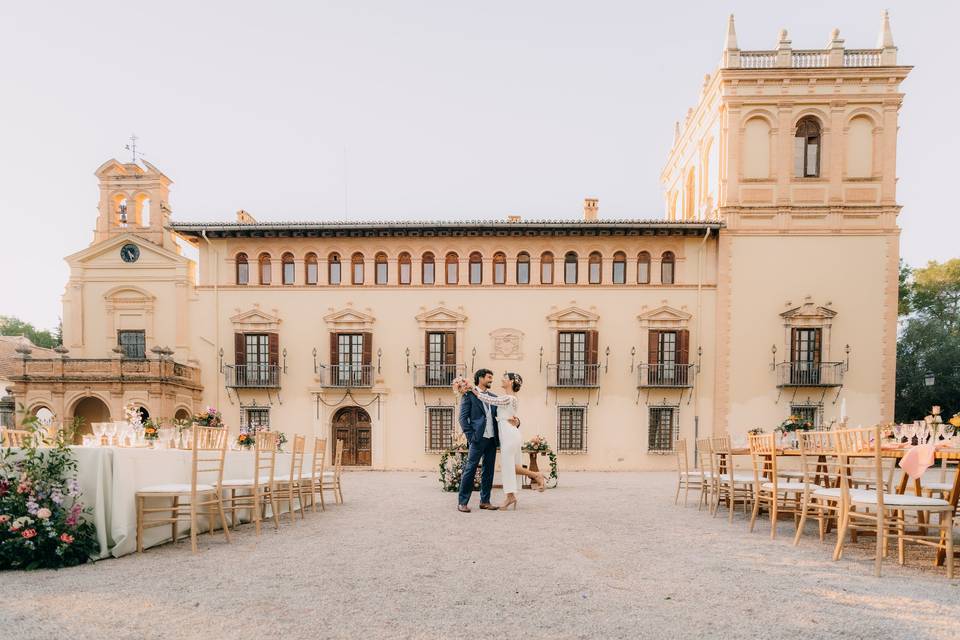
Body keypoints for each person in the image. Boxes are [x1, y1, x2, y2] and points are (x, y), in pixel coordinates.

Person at [471, 372, 545, 510]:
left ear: (511, 382)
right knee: (512, 466)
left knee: (508, 467)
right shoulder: (508, 398)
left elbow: (491, 400)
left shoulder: (509, 398)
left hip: (509, 434)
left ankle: (511, 495)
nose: (501, 380)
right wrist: (516, 421)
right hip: (509, 433)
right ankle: (533, 478)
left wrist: (473, 390)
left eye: (504, 378)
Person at [457, 368, 518, 512]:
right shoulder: (469, 395)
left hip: (492, 439)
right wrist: (471, 436)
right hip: (477, 438)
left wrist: (517, 421)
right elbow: (462, 418)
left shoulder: (493, 396)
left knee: (488, 470)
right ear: (480, 378)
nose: (491, 380)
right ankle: (462, 502)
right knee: (470, 469)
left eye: (492, 377)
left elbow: (506, 414)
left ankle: (485, 501)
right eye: (489, 377)